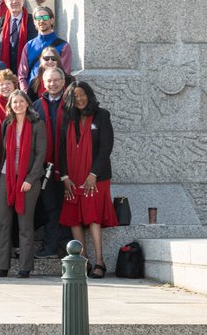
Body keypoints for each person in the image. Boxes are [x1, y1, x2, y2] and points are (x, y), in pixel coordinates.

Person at [58, 80, 117, 279]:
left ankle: (100, 262)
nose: (80, 99)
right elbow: (61, 150)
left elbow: (105, 148)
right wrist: (64, 176)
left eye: (82, 94)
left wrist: (93, 174)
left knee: (93, 218)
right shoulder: (67, 118)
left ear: (89, 95)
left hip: (96, 178)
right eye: (75, 96)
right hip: (72, 177)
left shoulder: (102, 116)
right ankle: (82, 262)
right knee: (74, 218)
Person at [0, 89, 47, 278]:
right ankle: (2, 265)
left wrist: (30, 179)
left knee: (25, 223)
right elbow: (3, 153)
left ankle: (25, 267)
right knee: (3, 221)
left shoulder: (37, 125)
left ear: (27, 104)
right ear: (10, 105)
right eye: (14, 102)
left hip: (28, 179)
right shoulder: (6, 124)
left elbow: (41, 155)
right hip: (5, 176)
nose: (18, 105)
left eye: (21, 101)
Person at [31, 65, 69, 260]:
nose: (52, 84)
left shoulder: (71, 104)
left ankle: (68, 247)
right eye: (49, 81)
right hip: (45, 167)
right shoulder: (36, 106)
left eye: (56, 80)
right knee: (51, 207)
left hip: (68, 166)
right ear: (43, 83)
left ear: (63, 82)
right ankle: (51, 246)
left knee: (69, 206)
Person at [19, 6, 73, 93]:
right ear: (34, 22)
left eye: (45, 17)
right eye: (38, 18)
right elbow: (22, 76)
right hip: (33, 94)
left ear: (51, 20)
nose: (41, 21)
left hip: (55, 93)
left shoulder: (64, 46)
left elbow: (65, 74)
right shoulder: (28, 46)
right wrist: (26, 94)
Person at [0, 0, 37, 74]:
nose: (15, 1)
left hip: (28, 71)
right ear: (5, 1)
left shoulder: (34, 22)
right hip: (3, 75)